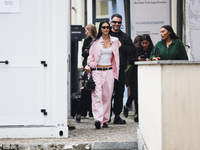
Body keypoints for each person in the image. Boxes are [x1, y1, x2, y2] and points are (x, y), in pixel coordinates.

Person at [85, 21, 120, 129]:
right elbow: (91, 57)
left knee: (107, 97)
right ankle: (98, 119)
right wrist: (89, 66)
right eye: (104, 27)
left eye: (107, 27)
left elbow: (117, 53)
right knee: (97, 96)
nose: (106, 29)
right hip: (96, 71)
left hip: (109, 71)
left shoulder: (115, 41)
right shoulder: (95, 42)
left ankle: (105, 120)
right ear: (100, 29)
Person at [109, 14, 136, 124]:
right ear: (111, 22)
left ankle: (116, 116)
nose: (117, 24)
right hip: (107, 69)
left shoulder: (125, 37)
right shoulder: (106, 35)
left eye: (119, 22)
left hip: (120, 69)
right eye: (115, 22)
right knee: (107, 94)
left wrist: (121, 46)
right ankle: (106, 116)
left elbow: (132, 50)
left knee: (119, 93)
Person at [124, 34, 154, 122]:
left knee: (143, 94)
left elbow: (156, 57)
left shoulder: (152, 49)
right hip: (135, 74)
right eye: (143, 43)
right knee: (135, 94)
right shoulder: (135, 49)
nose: (145, 45)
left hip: (147, 74)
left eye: (146, 43)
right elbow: (130, 60)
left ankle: (140, 112)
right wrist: (137, 59)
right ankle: (136, 113)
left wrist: (150, 59)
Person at [76, 24, 97, 122]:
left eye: (87, 30)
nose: (85, 33)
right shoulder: (86, 40)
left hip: (96, 68)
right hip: (87, 67)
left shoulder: (97, 39)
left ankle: (92, 112)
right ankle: (80, 112)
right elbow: (83, 54)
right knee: (85, 90)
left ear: (91, 30)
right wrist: (87, 51)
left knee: (94, 90)